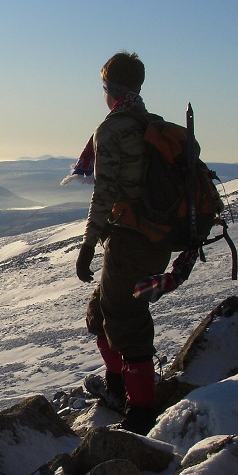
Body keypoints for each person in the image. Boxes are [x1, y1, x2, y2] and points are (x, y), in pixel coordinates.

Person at [75, 51, 172, 434]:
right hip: (153, 238)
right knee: (102, 313)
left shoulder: (114, 130)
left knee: (126, 319)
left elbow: (105, 193)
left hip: (131, 239)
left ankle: (141, 413)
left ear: (111, 89)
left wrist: (87, 245)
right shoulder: (152, 125)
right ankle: (117, 385)